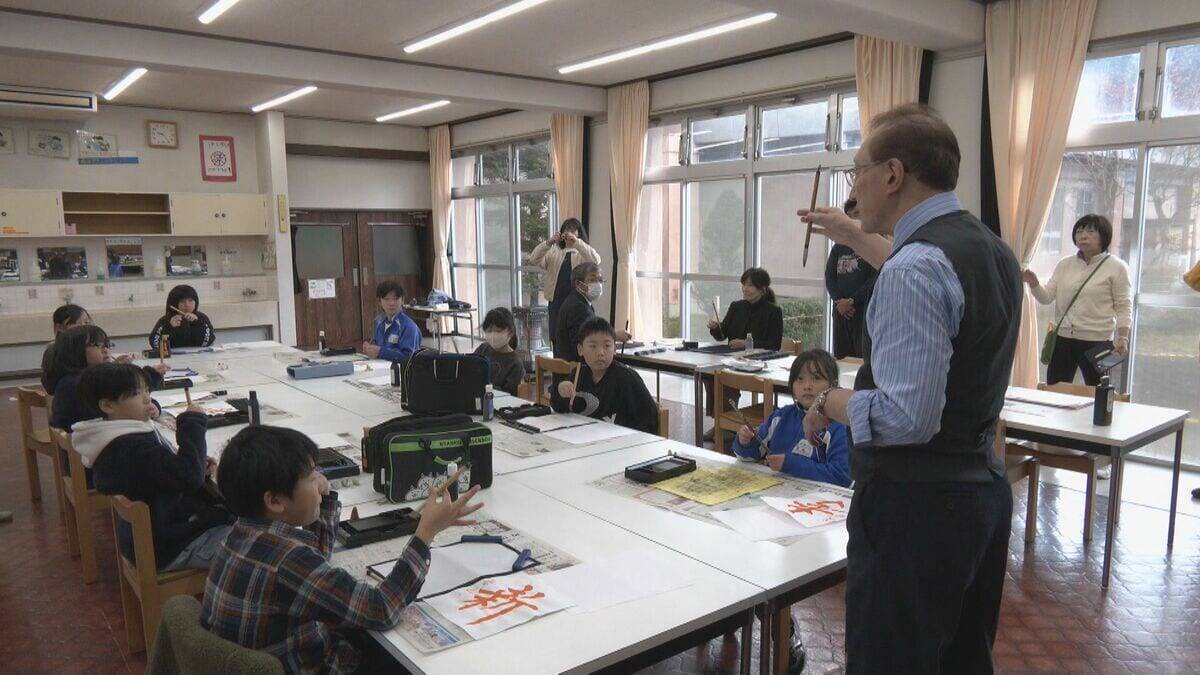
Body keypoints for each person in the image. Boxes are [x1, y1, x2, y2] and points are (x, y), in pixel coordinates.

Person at [799, 104, 1021, 673]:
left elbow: (905, 417)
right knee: (962, 658)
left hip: (915, 508)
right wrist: (853, 232)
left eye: (858, 171)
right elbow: (912, 264)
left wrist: (828, 400)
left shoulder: (914, 268)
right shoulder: (991, 249)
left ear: (893, 174)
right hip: (981, 491)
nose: (855, 187)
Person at [202, 425, 482, 673]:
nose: (320, 480)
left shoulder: (240, 534)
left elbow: (315, 567)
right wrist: (426, 532)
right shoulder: (289, 561)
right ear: (275, 501)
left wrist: (321, 501)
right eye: (312, 477)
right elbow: (381, 609)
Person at [72, 363, 233, 571]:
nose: (147, 398)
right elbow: (189, 477)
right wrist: (192, 423)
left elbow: (169, 473)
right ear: (108, 406)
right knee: (254, 542)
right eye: (137, 394)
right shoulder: (130, 449)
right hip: (169, 546)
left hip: (156, 534)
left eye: (147, 390)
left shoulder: (117, 437)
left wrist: (195, 463)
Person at [1023, 214, 1132, 386]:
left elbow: (1123, 305)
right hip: (1063, 339)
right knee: (1055, 392)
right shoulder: (1065, 264)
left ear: (1104, 236)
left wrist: (1123, 337)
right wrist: (1034, 283)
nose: (1083, 236)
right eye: (1079, 231)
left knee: (1099, 393)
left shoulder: (1117, 267)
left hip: (1099, 342)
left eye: (1090, 231)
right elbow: (1046, 298)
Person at [731, 350, 851, 486]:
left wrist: (790, 464)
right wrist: (745, 442)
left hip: (816, 500)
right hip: (777, 491)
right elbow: (749, 456)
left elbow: (842, 477)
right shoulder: (781, 417)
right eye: (800, 379)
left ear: (833, 385)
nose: (807, 386)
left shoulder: (839, 425)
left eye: (816, 378)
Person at [551, 317, 658, 434]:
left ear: (614, 349)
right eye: (593, 346)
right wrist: (560, 390)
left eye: (607, 346)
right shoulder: (578, 374)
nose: (601, 352)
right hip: (584, 438)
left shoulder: (627, 378)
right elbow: (559, 407)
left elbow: (649, 420)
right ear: (580, 350)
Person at [51, 325, 167, 432]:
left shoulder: (74, 378)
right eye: (99, 346)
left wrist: (153, 407)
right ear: (76, 351)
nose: (106, 350)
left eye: (107, 345)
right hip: (95, 441)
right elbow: (127, 404)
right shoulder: (84, 383)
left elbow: (129, 400)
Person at [529, 218, 601, 343]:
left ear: (579, 234)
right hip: (556, 302)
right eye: (566, 230)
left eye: (573, 230)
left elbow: (596, 260)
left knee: (576, 336)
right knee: (556, 337)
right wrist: (550, 242)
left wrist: (577, 242)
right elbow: (534, 258)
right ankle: (557, 361)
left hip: (577, 302)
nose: (569, 233)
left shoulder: (582, 253)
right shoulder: (554, 252)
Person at [824, 199, 877, 359]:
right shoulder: (839, 246)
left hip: (862, 310)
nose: (852, 219)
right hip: (841, 310)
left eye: (856, 215)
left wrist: (852, 301)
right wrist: (840, 301)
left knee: (862, 358)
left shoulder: (872, 243)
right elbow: (830, 276)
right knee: (841, 358)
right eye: (849, 216)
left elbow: (875, 278)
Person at [552, 262, 631, 363]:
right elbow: (584, 343)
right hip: (576, 371)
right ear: (578, 284)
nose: (598, 284)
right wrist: (613, 336)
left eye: (600, 280)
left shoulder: (578, 301)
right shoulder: (578, 307)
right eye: (592, 280)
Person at [706, 267, 784, 351]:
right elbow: (722, 335)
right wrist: (716, 328)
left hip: (758, 360)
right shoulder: (736, 306)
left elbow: (774, 345)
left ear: (762, 289)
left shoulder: (774, 311)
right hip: (732, 358)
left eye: (750, 285)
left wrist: (746, 344)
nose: (745, 289)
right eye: (743, 284)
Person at [363, 280, 421, 362]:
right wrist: (369, 347)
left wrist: (380, 351)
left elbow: (408, 358)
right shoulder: (379, 322)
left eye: (396, 299)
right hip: (379, 368)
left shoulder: (409, 327)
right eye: (386, 299)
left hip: (399, 372)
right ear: (380, 302)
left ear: (402, 300)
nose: (391, 303)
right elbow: (376, 343)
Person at [40, 304, 93, 392]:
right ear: (59, 327)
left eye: (87, 322)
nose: (85, 327)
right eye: (78, 323)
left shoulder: (54, 348)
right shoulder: (63, 352)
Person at [473, 307, 524, 396]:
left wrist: (485, 386)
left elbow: (510, 393)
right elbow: (469, 367)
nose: (493, 335)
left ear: (510, 332)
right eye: (489, 331)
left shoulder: (515, 363)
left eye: (498, 331)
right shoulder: (483, 349)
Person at [149, 284, 215, 350]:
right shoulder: (165, 320)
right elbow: (155, 345)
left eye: (190, 300)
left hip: (199, 358)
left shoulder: (201, 318)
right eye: (182, 301)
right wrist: (169, 327)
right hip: (173, 358)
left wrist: (198, 324)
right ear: (174, 303)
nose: (187, 305)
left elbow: (208, 342)